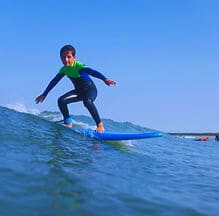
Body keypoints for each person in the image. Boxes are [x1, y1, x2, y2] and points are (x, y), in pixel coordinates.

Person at [35, 45, 116, 132]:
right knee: (61, 100)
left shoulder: (79, 66)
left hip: (90, 90)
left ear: (74, 58)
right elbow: (54, 81)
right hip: (78, 92)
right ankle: (68, 122)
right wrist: (44, 94)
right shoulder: (64, 70)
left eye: (69, 57)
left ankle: (100, 125)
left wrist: (104, 79)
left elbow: (92, 72)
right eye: (63, 58)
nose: (66, 60)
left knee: (87, 101)